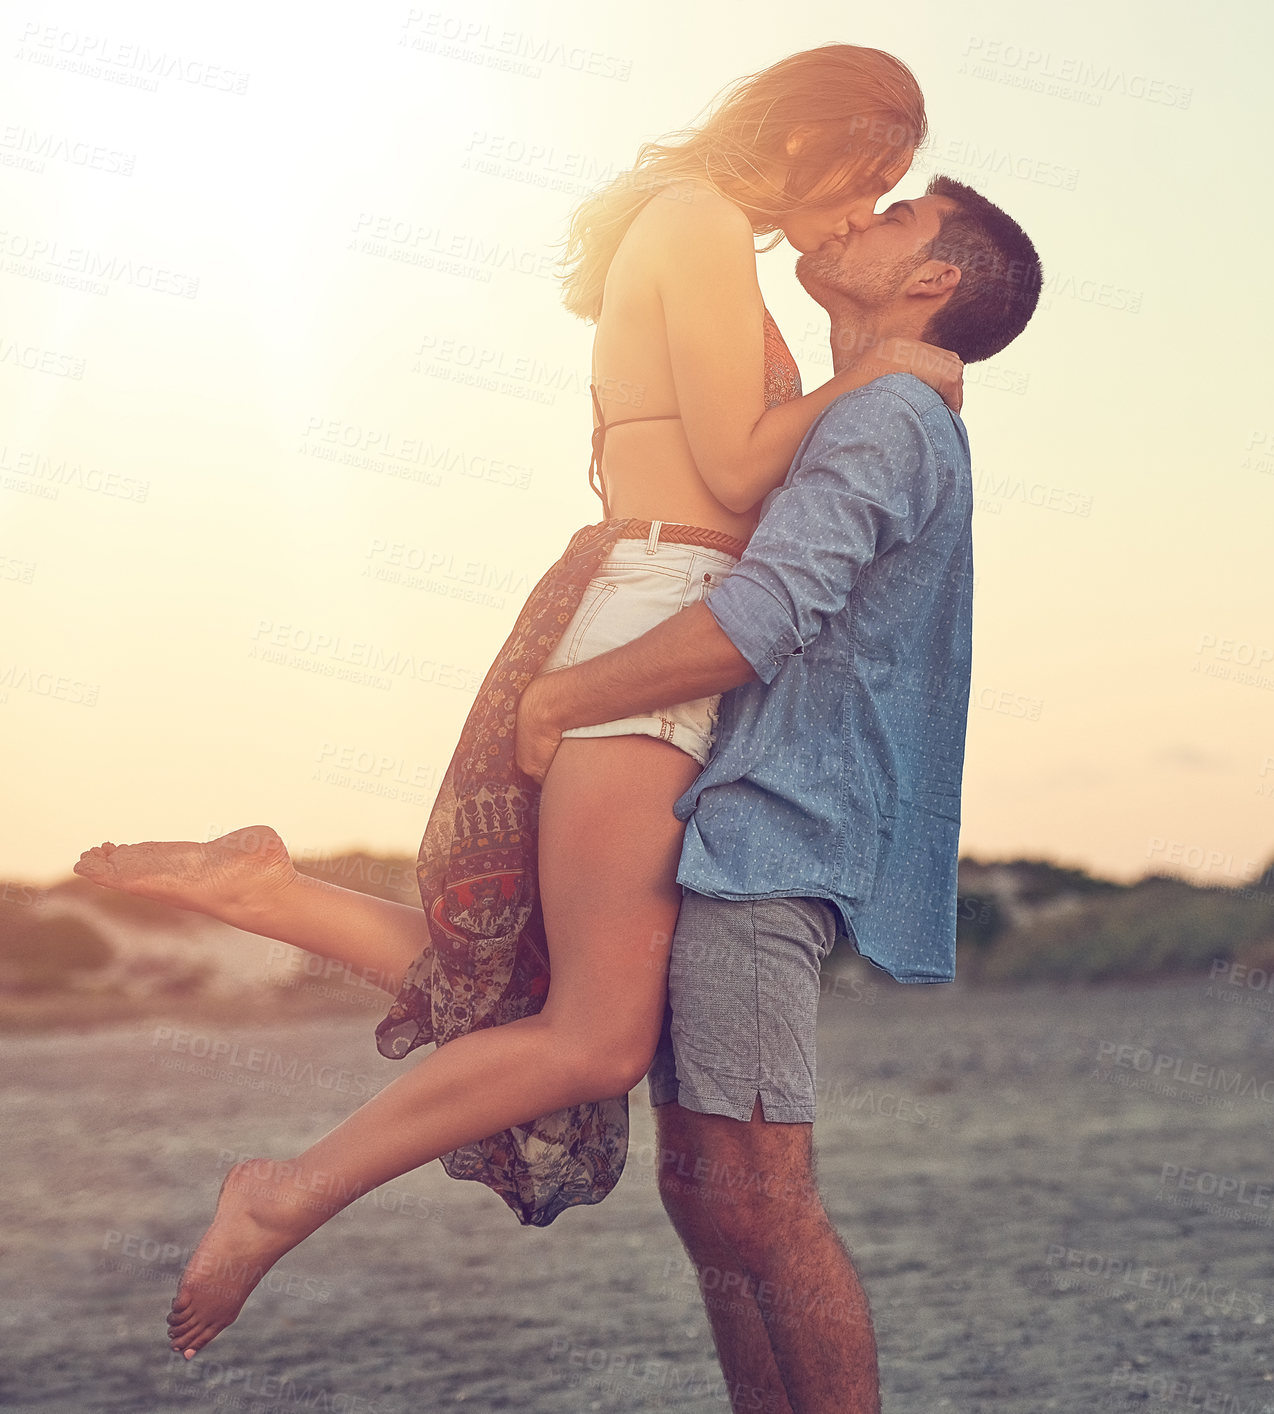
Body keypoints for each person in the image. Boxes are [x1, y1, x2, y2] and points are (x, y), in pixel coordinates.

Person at [71, 44, 963, 1362]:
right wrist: (882, 375)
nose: (855, 209)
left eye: (889, 194)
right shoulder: (704, 223)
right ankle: (282, 1192)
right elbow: (728, 461)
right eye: (867, 176)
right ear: (811, 137)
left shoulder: (690, 228)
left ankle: (278, 898)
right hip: (664, 605)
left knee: (549, 985)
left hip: (652, 591)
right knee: (597, 1037)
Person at [512, 173, 1044, 1414]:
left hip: (774, 835)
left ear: (933, 283)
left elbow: (755, 621)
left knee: (758, 1192)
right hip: (737, 826)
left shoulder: (887, 421)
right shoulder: (854, 411)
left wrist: (560, 699)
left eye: (895, 215)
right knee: (704, 1189)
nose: (856, 218)